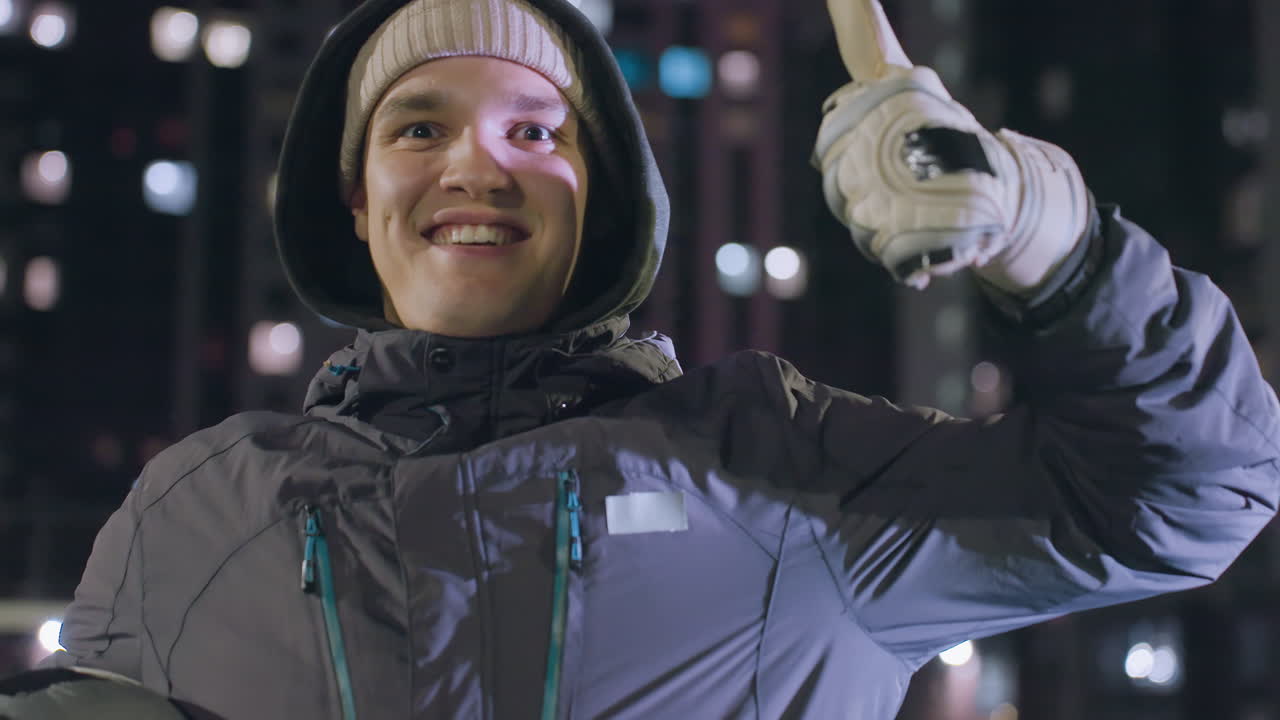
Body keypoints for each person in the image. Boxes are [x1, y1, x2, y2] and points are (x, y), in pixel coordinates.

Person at [5, 0, 1278, 717]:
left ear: (598, 198)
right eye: (418, 126)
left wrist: (1038, 229)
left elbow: (1183, 496)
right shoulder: (194, 511)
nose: (474, 165)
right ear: (352, 198)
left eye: (535, 130)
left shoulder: (781, 468)